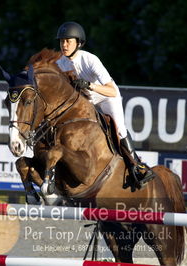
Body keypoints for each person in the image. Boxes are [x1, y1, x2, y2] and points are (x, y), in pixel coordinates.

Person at [55, 21, 154, 188]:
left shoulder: (90, 60)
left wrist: (89, 85)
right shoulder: (60, 64)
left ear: (78, 43)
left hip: (106, 97)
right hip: (86, 102)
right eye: (62, 41)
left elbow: (112, 91)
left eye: (69, 41)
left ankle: (137, 166)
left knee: (120, 129)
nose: (64, 45)